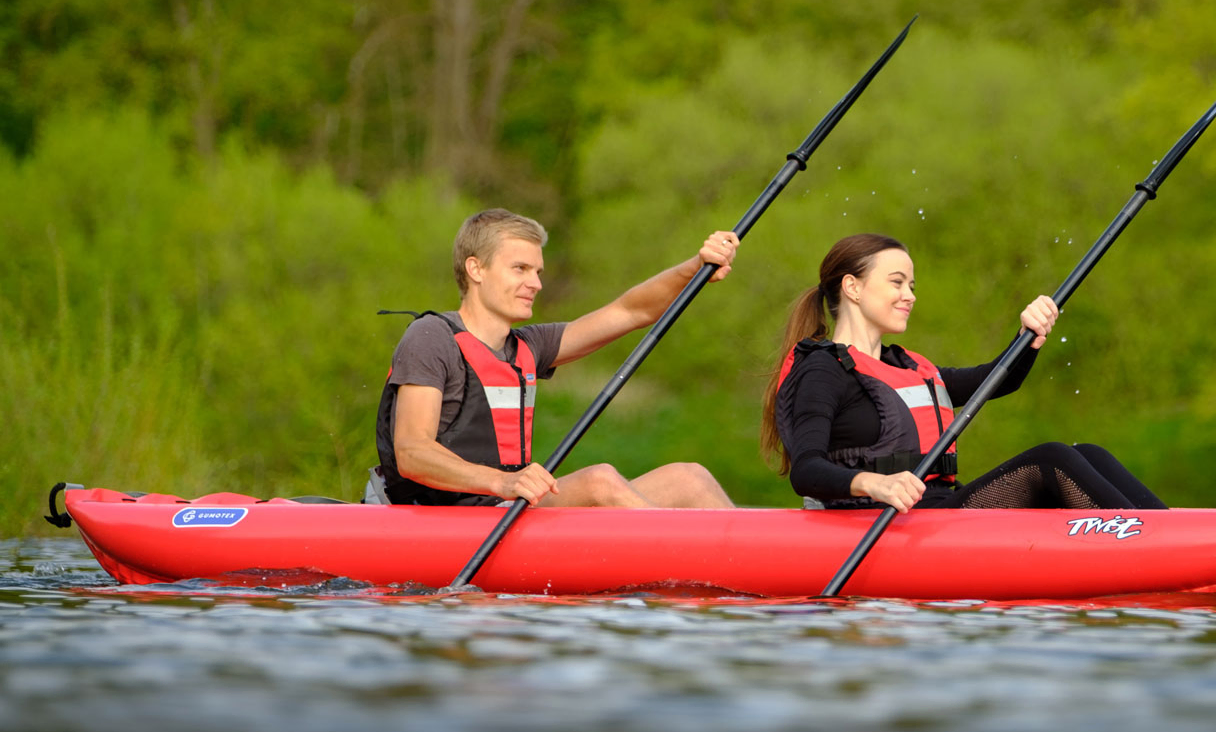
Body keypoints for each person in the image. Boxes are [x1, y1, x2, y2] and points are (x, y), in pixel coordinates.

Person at [761, 233, 1167, 513]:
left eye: (913, 285)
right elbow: (807, 471)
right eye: (897, 282)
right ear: (852, 287)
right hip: (875, 520)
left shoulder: (904, 366)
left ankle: (1170, 530)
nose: (910, 296)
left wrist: (1028, 337)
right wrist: (877, 484)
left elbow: (997, 380)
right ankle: (1157, 546)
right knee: (1052, 459)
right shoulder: (821, 369)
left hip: (936, 510)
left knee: (1087, 454)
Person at [375, 207, 738, 508]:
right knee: (599, 481)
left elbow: (630, 312)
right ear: (476, 269)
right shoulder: (430, 338)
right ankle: (692, 561)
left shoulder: (529, 346)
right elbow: (412, 452)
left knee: (689, 478)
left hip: (505, 512)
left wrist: (696, 267)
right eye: (520, 269)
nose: (536, 283)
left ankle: (753, 577)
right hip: (439, 521)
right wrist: (504, 481)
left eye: (538, 272)